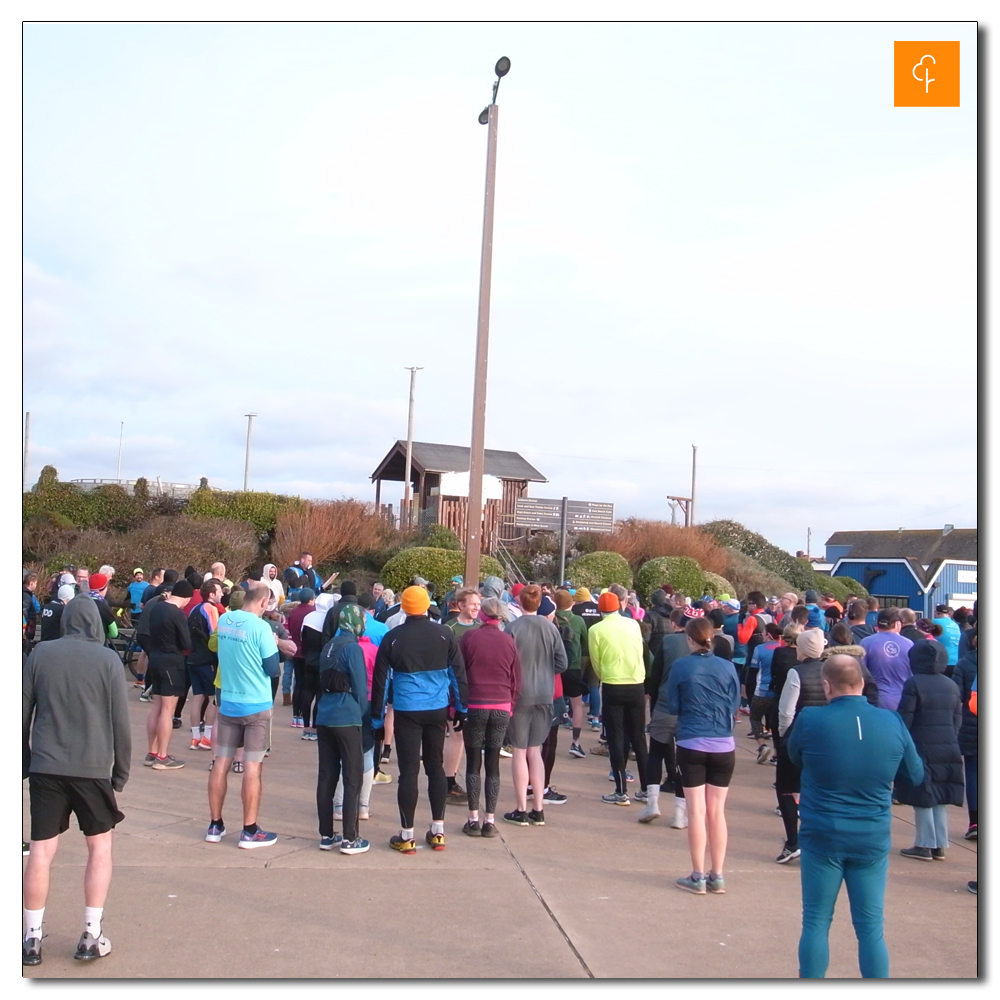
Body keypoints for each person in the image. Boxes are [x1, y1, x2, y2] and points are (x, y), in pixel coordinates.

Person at [788, 655, 924, 978]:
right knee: (870, 928)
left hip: (823, 833)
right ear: (862, 683)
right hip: (871, 835)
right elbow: (915, 775)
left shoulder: (810, 719)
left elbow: (794, 755)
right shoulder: (892, 722)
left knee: (816, 921)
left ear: (826, 686)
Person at [22, 597, 131, 965]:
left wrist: (23, 758)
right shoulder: (108, 660)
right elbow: (120, 721)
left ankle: (31, 935)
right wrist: (120, 771)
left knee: (41, 850)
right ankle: (91, 932)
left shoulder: (41, 654)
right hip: (92, 766)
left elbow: (23, 710)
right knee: (99, 848)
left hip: (47, 765)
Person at [370, 586, 468, 854]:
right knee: (435, 767)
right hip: (437, 709)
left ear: (403, 607)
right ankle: (438, 831)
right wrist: (461, 709)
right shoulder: (444, 634)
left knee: (409, 771)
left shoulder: (392, 638)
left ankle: (407, 834)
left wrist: (377, 721)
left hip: (406, 710)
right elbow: (458, 675)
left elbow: (381, 683)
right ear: (427, 607)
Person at [665, 617, 741, 894]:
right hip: (723, 743)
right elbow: (734, 704)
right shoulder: (728, 667)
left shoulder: (681, 666)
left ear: (689, 639)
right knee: (716, 812)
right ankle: (717, 875)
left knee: (696, 812)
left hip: (692, 740)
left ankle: (697, 876)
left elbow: (673, 705)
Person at [205, 584, 281, 848]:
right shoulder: (261, 628)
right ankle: (249, 829)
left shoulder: (225, 619)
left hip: (229, 700)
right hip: (256, 704)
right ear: (262, 602)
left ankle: (215, 824)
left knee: (220, 763)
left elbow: (215, 647)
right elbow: (272, 669)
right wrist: (273, 645)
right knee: (252, 767)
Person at [503, 585, 567, 827]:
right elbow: (562, 662)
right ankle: (538, 807)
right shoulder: (550, 628)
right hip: (544, 693)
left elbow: (507, 662)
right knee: (536, 750)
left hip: (519, 694)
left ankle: (521, 808)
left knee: (519, 750)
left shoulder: (512, 628)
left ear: (519, 602)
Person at [894, 640, 964, 861]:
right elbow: (957, 718)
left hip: (921, 744)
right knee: (940, 796)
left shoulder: (914, 683)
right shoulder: (950, 684)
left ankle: (924, 844)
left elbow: (905, 718)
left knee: (922, 794)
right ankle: (939, 844)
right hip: (948, 744)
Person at [459, 597, 521, 837]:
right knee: (493, 762)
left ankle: (473, 818)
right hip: (502, 704)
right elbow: (516, 677)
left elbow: (461, 673)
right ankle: (490, 820)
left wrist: (458, 704)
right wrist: (511, 703)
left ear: (483, 615)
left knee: (473, 761)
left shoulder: (470, 638)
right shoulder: (508, 641)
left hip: (476, 703)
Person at [315, 603, 371, 855]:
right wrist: (363, 714)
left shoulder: (328, 646)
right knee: (352, 776)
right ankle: (351, 837)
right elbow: (360, 687)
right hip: (347, 716)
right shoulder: (352, 649)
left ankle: (327, 834)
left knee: (327, 775)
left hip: (325, 714)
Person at [588, 591, 648, 806]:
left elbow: (596, 660)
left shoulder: (596, 629)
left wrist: (604, 675)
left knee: (616, 737)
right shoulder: (633, 624)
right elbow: (640, 650)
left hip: (613, 684)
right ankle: (646, 788)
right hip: (636, 683)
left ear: (600, 610)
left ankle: (621, 790)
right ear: (619, 606)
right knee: (638, 737)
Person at [774, 628, 828, 864]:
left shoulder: (796, 673)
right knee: (817, 789)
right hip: (824, 735)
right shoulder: (829, 670)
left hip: (799, 733)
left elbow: (786, 710)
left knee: (786, 787)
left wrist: (785, 735)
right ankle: (818, 840)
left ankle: (793, 841)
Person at [143, 579, 194, 770]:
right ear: (187, 597)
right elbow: (186, 643)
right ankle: (162, 757)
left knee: (156, 706)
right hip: (171, 661)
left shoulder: (157, 607)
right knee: (167, 709)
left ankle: (152, 752)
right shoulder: (177, 613)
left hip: (155, 658)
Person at [186, 579, 225, 752]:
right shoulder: (211, 609)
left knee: (198, 697)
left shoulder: (194, 608)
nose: (222, 594)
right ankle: (207, 737)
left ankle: (195, 737)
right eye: (219, 591)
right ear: (211, 594)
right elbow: (214, 634)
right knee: (214, 699)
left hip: (193, 658)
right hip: (207, 659)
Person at [554, 589, 589, 758]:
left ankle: (546, 738)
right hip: (573, 667)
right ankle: (575, 742)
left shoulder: (550, 618)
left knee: (550, 704)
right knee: (577, 705)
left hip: (553, 669)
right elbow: (585, 644)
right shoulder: (578, 620)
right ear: (572, 603)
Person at [951, 629, 978, 840]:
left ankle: (975, 821)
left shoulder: (964, 664)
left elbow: (958, 697)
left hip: (971, 724)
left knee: (973, 774)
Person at [860, 608, 914, 711]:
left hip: (877, 701)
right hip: (904, 700)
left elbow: (862, 674)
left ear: (877, 623)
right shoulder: (909, 644)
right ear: (897, 624)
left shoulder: (866, 643)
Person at [931, 604, 962, 669]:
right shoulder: (955, 625)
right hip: (955, 661)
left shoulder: (936, 621)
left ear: (937, 613)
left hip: (942, 660)